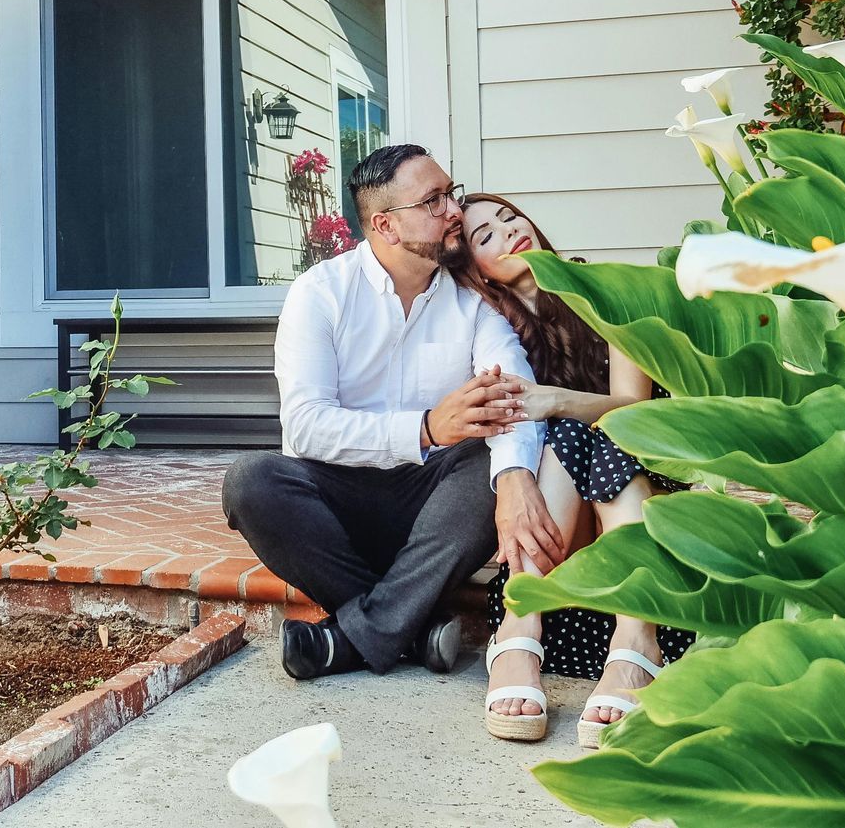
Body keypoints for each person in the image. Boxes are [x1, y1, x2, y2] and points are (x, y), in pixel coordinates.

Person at [222, 145, 566, 696]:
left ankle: (349, 638)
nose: (453, 209)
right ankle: (410, 628)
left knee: (489, 461)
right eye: (432, 201)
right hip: (337, 507)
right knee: (251, 482)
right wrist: (426, 427)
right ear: (384, 224)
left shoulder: (473, 302)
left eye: (450, 192)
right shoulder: (321, 294)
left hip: (437, 511)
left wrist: (516, 479)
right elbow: (307, 426)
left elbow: (513, 398)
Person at [443, 192, 695, 748]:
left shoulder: (599, 292)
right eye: (486, 235)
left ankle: (629, 632)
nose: (510, 232)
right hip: (564, 555)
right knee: (565, 434)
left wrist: (557, 399)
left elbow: (635, 409)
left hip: (643, 497)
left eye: (510, 217)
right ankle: (531, 622)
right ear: (475, 269)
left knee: (596, 428)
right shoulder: (494, 332)